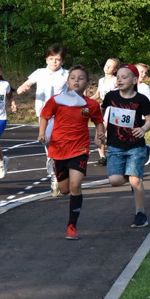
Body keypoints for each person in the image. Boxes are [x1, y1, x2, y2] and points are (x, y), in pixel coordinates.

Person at [38, 65, 105, 240]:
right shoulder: (56, 100)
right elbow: (44, 116)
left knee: (76, 186)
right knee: (65, 189)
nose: (76, 80)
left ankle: (72, 226)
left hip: (79, 149)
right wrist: (42, 133)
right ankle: (55, 170)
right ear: (67, 82)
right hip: (59, 149)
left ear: (87, 83)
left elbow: (98, 121)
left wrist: (100, 134)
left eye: (81, 78)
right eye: (73, 77)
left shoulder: (91, 104)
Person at [101, 64, 150, 228]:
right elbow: (103, 114)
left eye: (125, 77)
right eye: (118, 77)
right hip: (115, 145)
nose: (120, 79)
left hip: (135, 145)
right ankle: (134, 174)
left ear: (135, 80)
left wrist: (144, 128)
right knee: (114, 180)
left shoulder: (141, 99)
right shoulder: (111, 96)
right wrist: (101, 132)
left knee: (135, 180)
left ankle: (140, 214)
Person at [16, 44, 69, 196]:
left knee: (56, 140)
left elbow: (75, 88)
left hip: (60, 113)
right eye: (51, 59)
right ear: (46, 59)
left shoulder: (66, 75)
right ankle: (54, 169)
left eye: (58, 60)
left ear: (62, 62)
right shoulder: (40, 72)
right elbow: (28, 83)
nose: (54, 62)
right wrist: (22, 88)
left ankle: (56, 167)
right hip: (43, 113)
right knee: (45, 139)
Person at [90, 57, 119, 166]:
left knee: (102, 132)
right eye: (106, 64)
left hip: (112, 109)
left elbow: (120, 94)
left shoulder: (115, 80)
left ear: (115, 70)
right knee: (99, 134)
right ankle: (102, 157)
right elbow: (97, 95)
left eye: (110, 66)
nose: (107, 67)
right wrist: (85, 99)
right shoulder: (101, 80)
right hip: (102, 108)